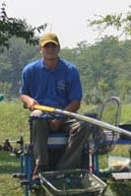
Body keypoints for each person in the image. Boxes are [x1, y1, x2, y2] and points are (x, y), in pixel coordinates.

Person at [19, 32, 88, 177]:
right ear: (41, 49)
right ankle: (41, 167)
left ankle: (66, 168)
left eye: (53, 46)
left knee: (83, 125)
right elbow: (23, 94)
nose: (50, 49)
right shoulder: (30, 71)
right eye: (46, 46)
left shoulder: (70, 70)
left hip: (65, 113)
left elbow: (76, 101)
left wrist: (60, 118)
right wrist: (29, 101)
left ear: (58, 48)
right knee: (36, 117)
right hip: (42, 113)